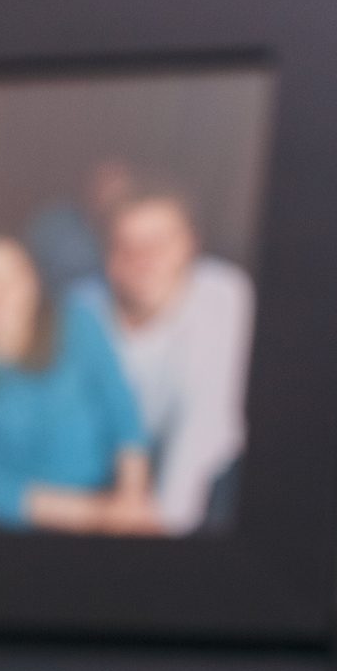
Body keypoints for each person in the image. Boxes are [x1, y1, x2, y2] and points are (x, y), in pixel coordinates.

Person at [0, 236, 157, 532]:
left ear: (32, 280)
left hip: (112, 494)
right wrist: (99, 514)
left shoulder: (77, 321)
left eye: (8, 277)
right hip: (24, 520)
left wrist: (132, 499)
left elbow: (123, 414)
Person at [71, 186, 254, 534]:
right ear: (107, 255)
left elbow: (205, 423)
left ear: (191, 245)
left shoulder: (222, 293)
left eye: (160, 242)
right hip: (111, 469)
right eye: (126, 245)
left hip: (206, 473)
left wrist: (162, 524)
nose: (144, 258)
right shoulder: (81, 306)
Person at [25, 158, 136, 296]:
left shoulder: (136, 232)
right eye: (104, 181)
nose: (110, 193)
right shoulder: (54, 225)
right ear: (90, 185)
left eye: (119, 186)